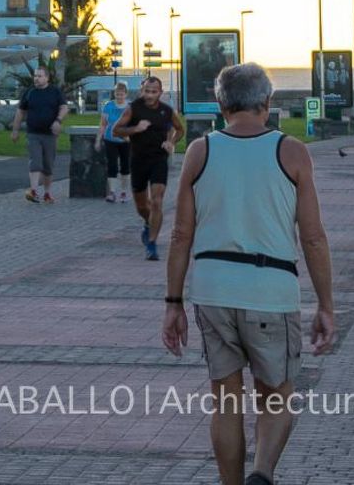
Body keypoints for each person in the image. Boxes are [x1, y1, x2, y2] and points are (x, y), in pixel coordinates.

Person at [162, 62, 335, 485]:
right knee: (276, 396)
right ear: (267, 102)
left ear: (221, 103)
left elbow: (181, 234)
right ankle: (262, 471)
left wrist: (173, 303)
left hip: (213, 289)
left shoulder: (200, 151)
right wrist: (326, 305)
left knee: (225, 400)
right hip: (271, 289)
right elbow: (313, 237)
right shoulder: (291, 152)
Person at [114, 73, 183, 258]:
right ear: (142, 90)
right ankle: (148, 222)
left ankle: (152, 244)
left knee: (157, 201)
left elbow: (180, 130)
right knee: (142, 207)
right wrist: (136, 129)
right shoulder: (133, 109)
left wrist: (171, 142)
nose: (150, 95)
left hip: (159, 159)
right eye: (147, 91)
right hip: (138, 160)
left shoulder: (167, 111)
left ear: (160, 92)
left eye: (154, 92)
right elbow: (116, 130)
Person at [10, 64, 69, 204]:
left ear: (47, 78)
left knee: (48, 165)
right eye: (35, 76)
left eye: (39, 76)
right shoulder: (29, 92)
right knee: (35, 162)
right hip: (33, 133)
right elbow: (20, 112)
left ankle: (47, 193)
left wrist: (58, 121)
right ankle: (34, 191)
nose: (36, 79)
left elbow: (64, 107)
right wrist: (15, 130)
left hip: (50, 134)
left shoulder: (55, 91)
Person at [100, 82, 131, 204]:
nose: (119, 96)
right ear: (114, 94)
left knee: (125, 166)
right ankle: (112, 192)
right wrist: (99, 138)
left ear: (126, 94)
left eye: (121, 94)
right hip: (110, 139)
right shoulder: (108, 106)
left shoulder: (130, 107)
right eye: (117, 94)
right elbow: (103, 124)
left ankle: (124, 192)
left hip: (126, 141)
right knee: (112, 165)